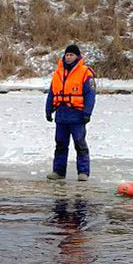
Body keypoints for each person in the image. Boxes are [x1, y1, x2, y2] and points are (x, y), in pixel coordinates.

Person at [46, 42, 96, 180]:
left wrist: (87, 112)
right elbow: (52, 93)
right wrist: (48, 110)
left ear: (77, 56)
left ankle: (83, 172)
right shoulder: (58, 73)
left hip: (77, 116)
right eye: (67, 55)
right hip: (61, 115)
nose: (68, 57)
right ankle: (59, 172)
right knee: (60, 144)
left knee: (80, 144)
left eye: (71, 55)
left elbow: (90, 94)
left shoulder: (85, 72)